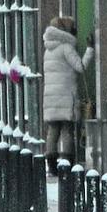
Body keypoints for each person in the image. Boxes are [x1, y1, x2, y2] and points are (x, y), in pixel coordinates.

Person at [42, 16, 94, 172]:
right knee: (67, 130)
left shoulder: (48, 50)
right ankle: (67, 162)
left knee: (53, 131)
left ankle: (51, 164)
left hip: (50, 97)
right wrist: (90, 49)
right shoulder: (66, 48)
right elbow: (81, 66)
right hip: (65, 95)